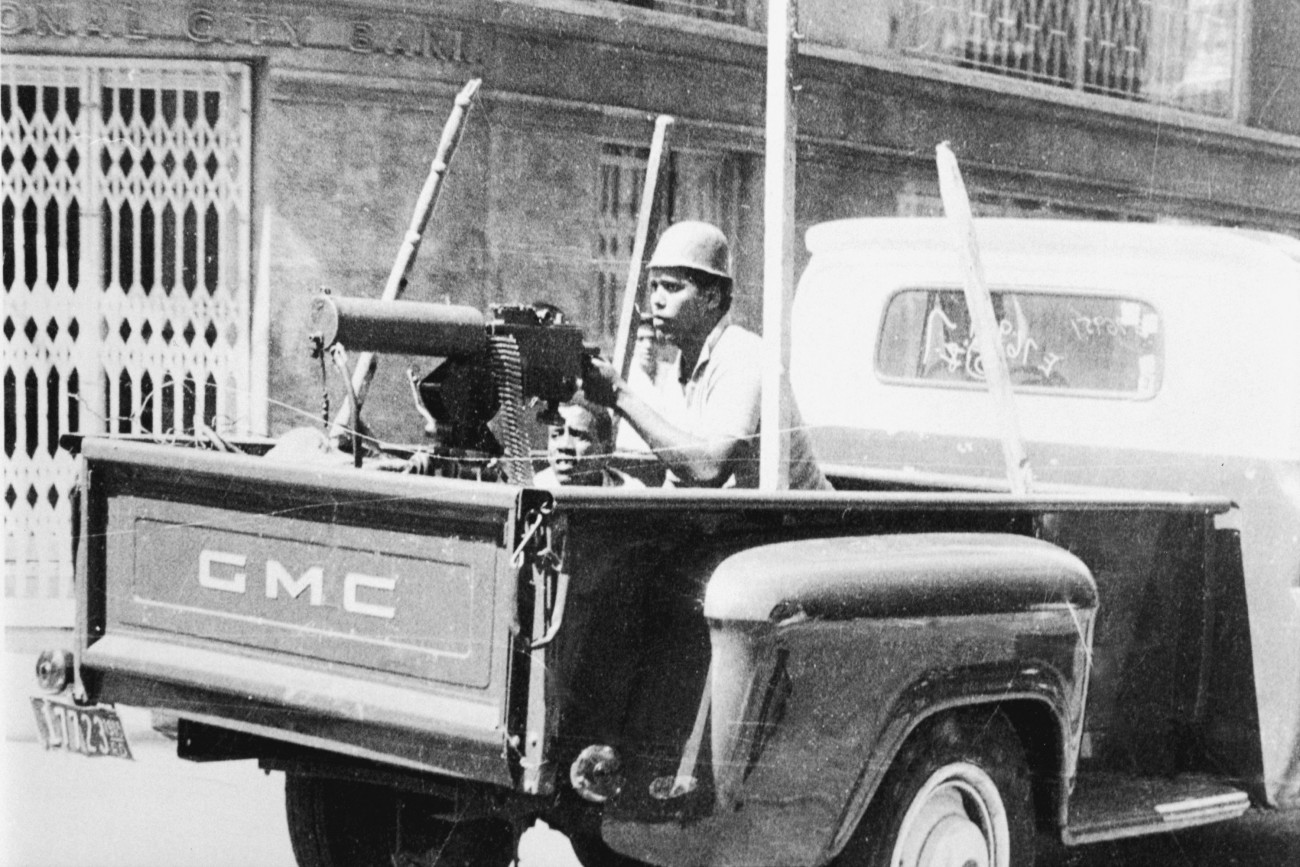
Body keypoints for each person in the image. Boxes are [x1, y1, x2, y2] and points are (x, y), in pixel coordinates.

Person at [583, 220, 830, 490]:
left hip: (804, 515)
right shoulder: (682, 368)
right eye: (654, 287)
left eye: (672, 287)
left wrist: (619, 394)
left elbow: (710, 468)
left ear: (712, 298)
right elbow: (679, 478)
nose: (657, 300)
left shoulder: (742, 354)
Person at [534, 393, 644, 488]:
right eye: (555, 435)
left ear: (606, 450)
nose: (565, 445)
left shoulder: (630, 494)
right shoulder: (535, 488)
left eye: (579, 435)